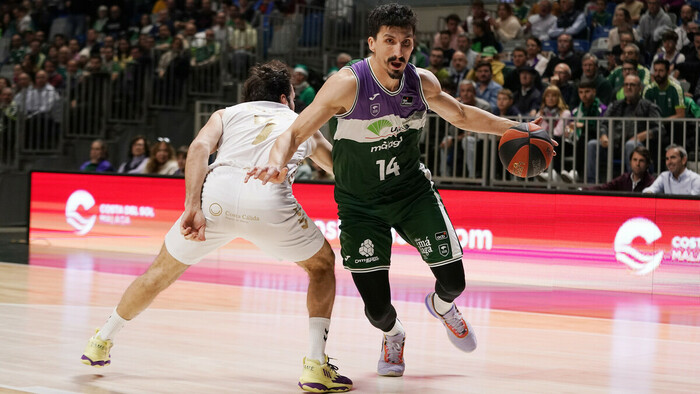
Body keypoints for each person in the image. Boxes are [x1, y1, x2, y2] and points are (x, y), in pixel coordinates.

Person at [247, 3, 551, 377]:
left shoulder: (421, 82)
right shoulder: (348, 83)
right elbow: (295, 131)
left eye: (405, 43)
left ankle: (442, 307)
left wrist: (516, 126)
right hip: (360, 206)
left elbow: (460, 114)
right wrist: (277, 162)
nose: (398, 51)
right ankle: (394, 334)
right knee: (376, 309)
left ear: (412, 46)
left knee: (455, 281)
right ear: (372, 43)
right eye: (389, 41)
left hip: (411, 194)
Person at [80, 60, 352, 393]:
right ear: (285, 97)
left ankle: (101, 340)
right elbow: (340, 169)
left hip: (215, 199)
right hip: (269, 200)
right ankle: (314, 365)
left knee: (159, 273)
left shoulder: (226, 113)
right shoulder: (299, 121)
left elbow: (198, 148)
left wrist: (191, 206)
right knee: (321, 266)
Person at [589, 146, 655, 191]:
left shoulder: (651, 183)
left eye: (641, 161)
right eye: (635, 160)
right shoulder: (624, 178)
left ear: (647, 164)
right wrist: (583, 190)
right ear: (630, 162)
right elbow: (604, 188)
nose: (637, 164)